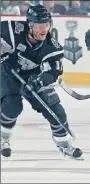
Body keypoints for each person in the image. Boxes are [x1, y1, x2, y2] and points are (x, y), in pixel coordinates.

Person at [1, 4, 82, 159]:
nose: (44, 29)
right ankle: (3, 137)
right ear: (30, 25)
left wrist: (39, 82)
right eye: (39, 25)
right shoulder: (12, 30)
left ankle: (65, 145)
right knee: (12, 106)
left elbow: (54, 71)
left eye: (46, 24)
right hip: (7, 73)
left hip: (34, 77)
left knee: (56, 110)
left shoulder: (52, 46)